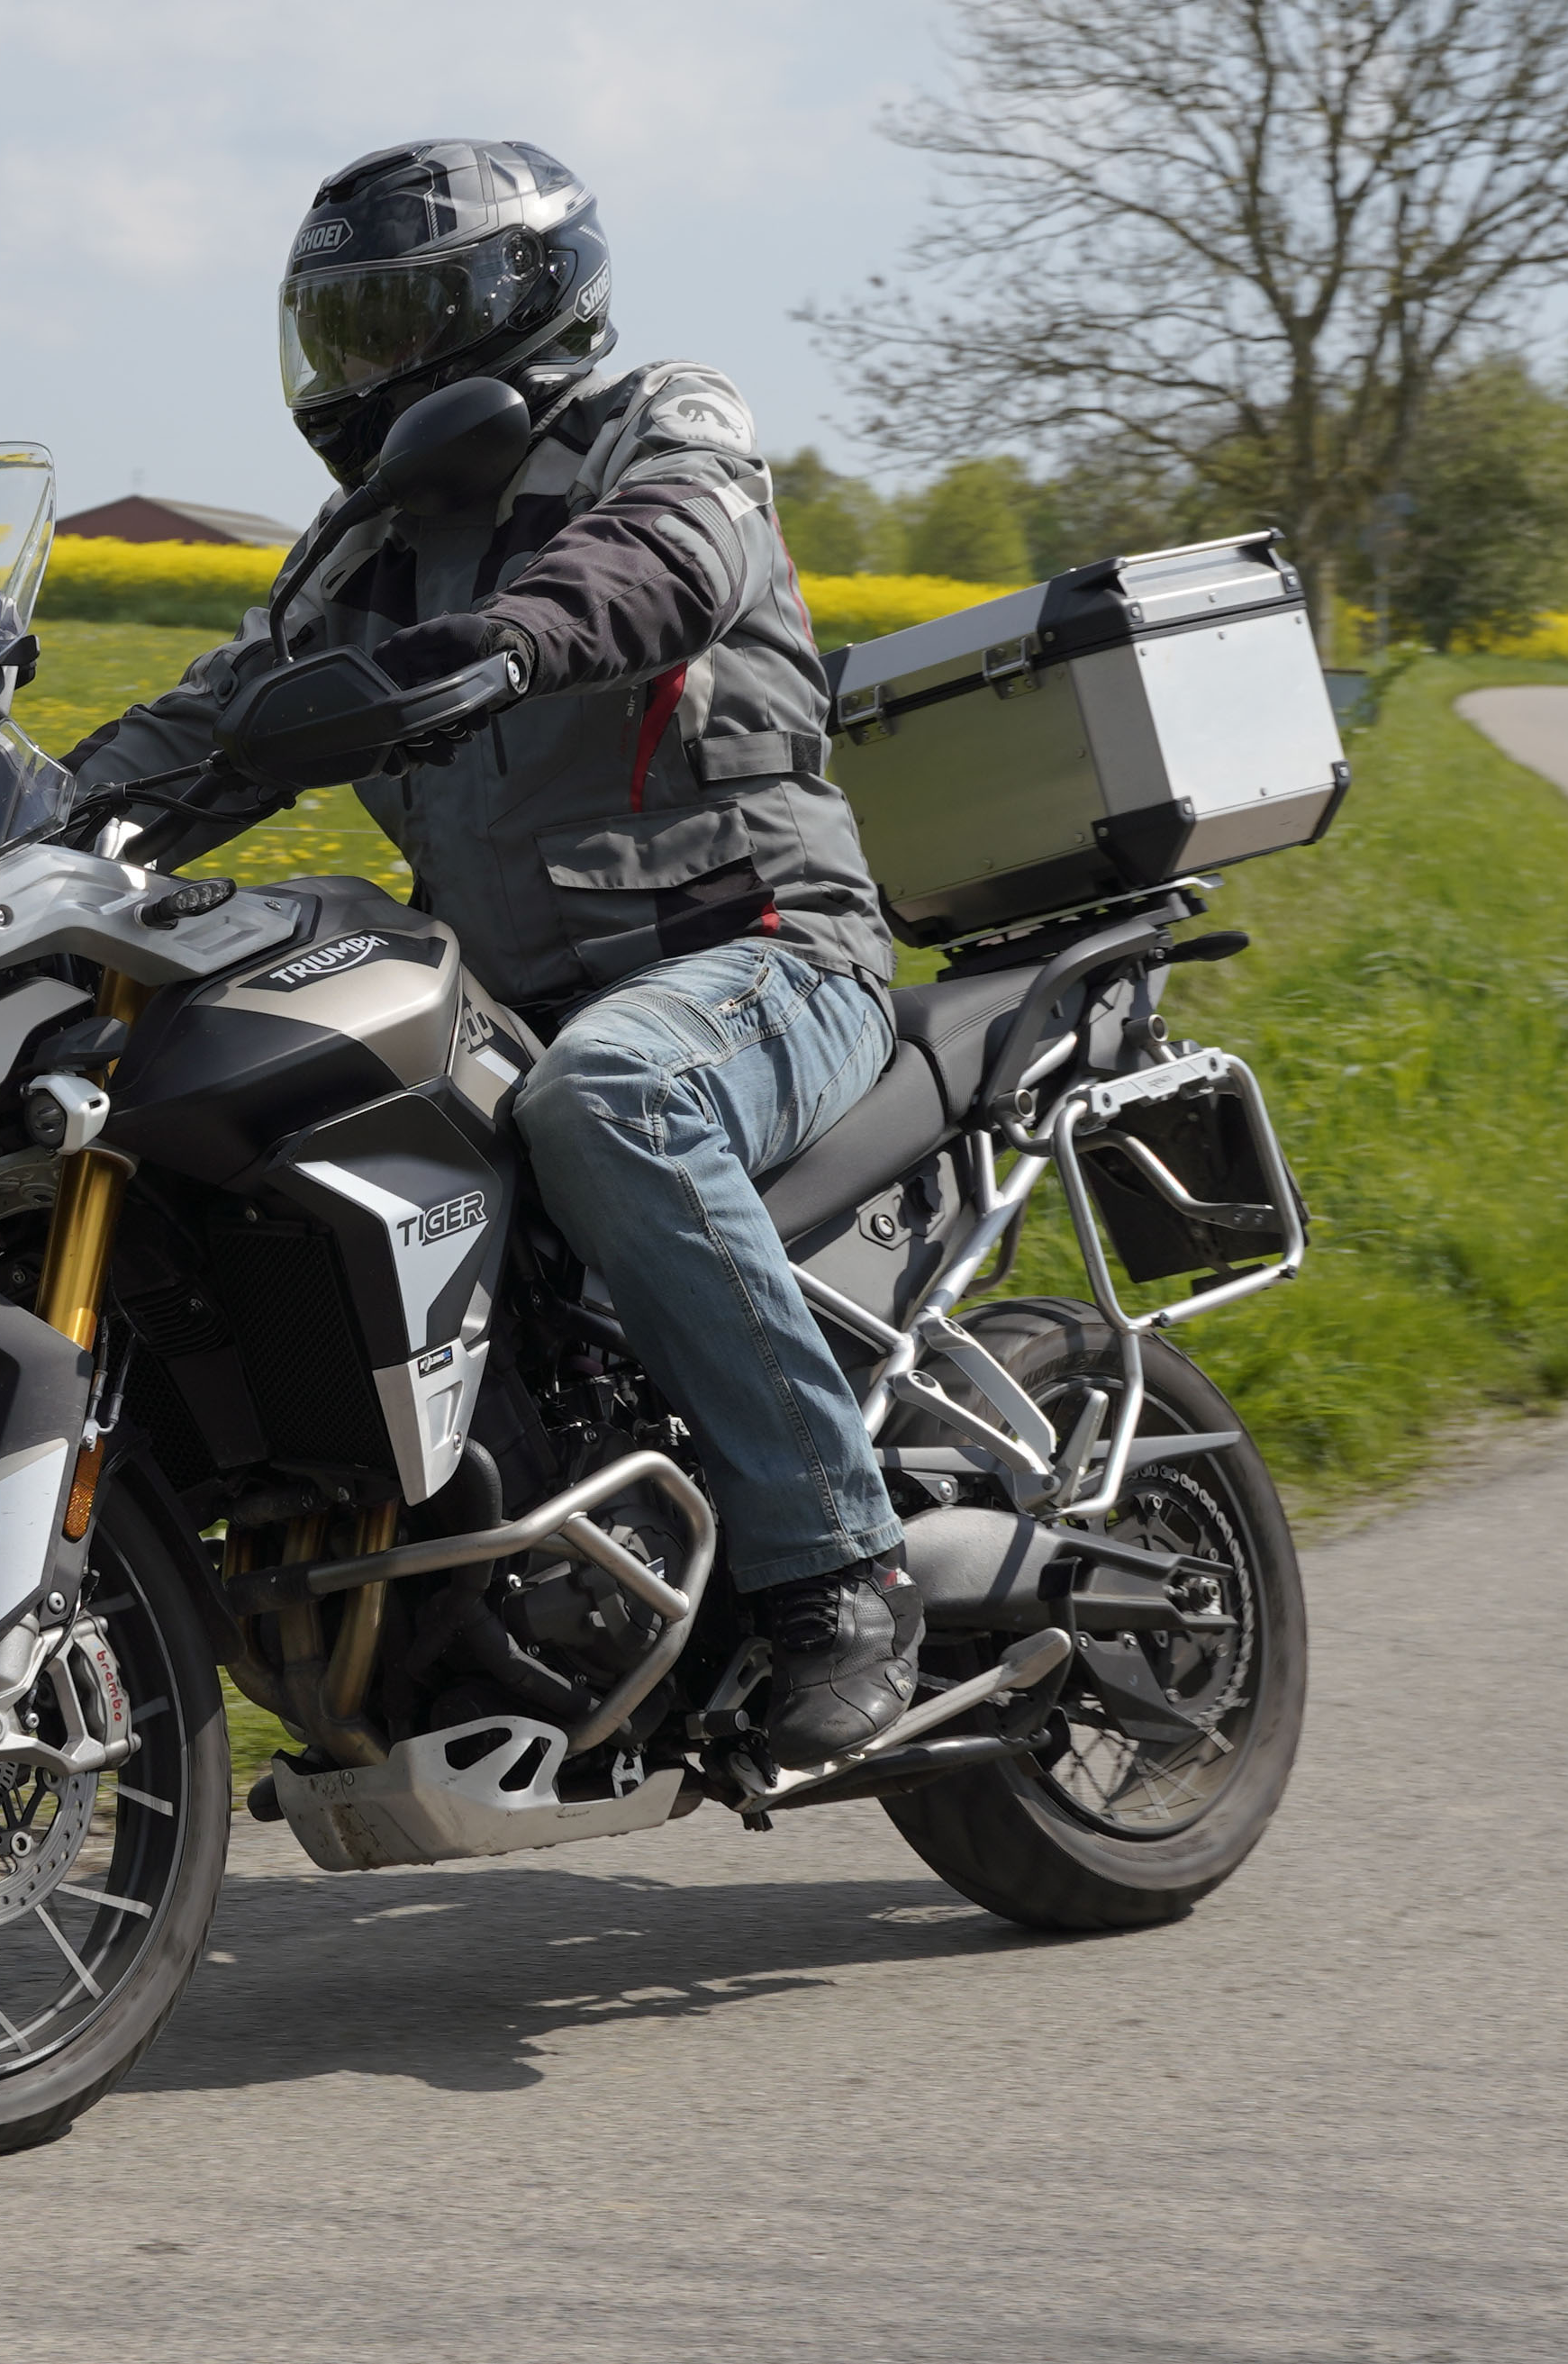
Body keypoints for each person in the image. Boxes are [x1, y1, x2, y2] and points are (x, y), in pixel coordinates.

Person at [67, 138, 918, 1768]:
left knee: (613, 1097)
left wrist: (513, 638)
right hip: (518, 1004)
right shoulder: (360, 550)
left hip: (761, 957)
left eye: (397, 320)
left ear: (520, 304)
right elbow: (219, 722)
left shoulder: (660, 420)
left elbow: (669, 553)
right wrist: (23, 834)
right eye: (341, 329)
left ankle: (837, 1568)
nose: (361, 366)